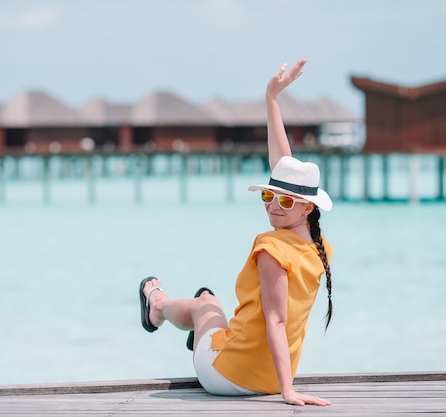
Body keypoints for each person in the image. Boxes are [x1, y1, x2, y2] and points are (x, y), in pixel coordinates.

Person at [138, 59, 333, 407]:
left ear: (306, 208)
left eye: (284, 201)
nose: (273, 206)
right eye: (267, 195)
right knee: (215, 309)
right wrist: (271, 100)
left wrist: (288, 393)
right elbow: (283, 166)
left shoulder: (273, 248)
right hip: (269, 378)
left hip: (226, 376)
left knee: (206, 305)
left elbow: (276, 320)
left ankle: (157, 304)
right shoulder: (320, 248)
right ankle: (197, 323)